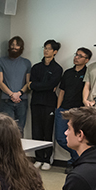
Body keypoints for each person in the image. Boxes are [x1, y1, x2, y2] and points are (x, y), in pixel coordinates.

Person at [28, 39, 63, 171]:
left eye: (49, 48)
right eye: (45, 48)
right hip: (36, 102)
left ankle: (47, 159)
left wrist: (38, 86)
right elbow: (32, 84)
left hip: (49, 103)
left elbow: (50, 85)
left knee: (47, 131)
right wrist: (41, 86)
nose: (46, 50)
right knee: (36, 131)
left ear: (55, 52)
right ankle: (38, 158)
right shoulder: (36, 67)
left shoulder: (57, 68)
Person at [56, 48, 92, 174]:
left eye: (80, 56)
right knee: (61, 138)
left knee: (79, 139)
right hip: (64, 109)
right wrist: (58, 107)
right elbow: (62, 91)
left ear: (86, 60)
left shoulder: (88, 73)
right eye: (76, 55)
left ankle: (74, 162)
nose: (76, 57)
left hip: (79, 111)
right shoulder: (68, 73)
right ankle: (77, 158)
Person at [0, 36, 32, 135]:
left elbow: (28, 83)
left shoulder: (26, 63)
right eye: (12, 44)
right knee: (6, 130)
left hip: (22, 101)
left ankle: (19, 150)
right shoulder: (1, 61)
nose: (14, 47)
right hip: (6, 101)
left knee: (19, 131)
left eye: (17, 45)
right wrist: (12, 94)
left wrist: (19, 93)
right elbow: (0, 82)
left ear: (21, 47)